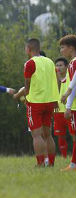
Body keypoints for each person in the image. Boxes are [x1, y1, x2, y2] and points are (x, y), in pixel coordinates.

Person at [14, 38, 59, 167]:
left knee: (36, 135)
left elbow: (27, 82)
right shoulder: (50, 62)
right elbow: (55, 81)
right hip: (49, 101)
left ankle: (40, 163)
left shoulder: (30, 63)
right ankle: (51, 163)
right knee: (48, 134)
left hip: (35, 102)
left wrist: (27, 95)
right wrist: (55, 99)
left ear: (28, 49)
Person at [58, 34, 76, 171]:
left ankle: (73, 164)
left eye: (63, 47)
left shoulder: (73, 63)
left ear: (71, 48)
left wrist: (68, 106)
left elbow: (74, 85)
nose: (61, 50)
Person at [54, 57, 70, 159]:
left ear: (66, 67)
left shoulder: (70, 77)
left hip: (70, 110)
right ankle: (64, 157)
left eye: (61, 65)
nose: (58, 67)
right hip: (58, 112)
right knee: (60, 136)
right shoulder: (53, 79)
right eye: (57, 65)